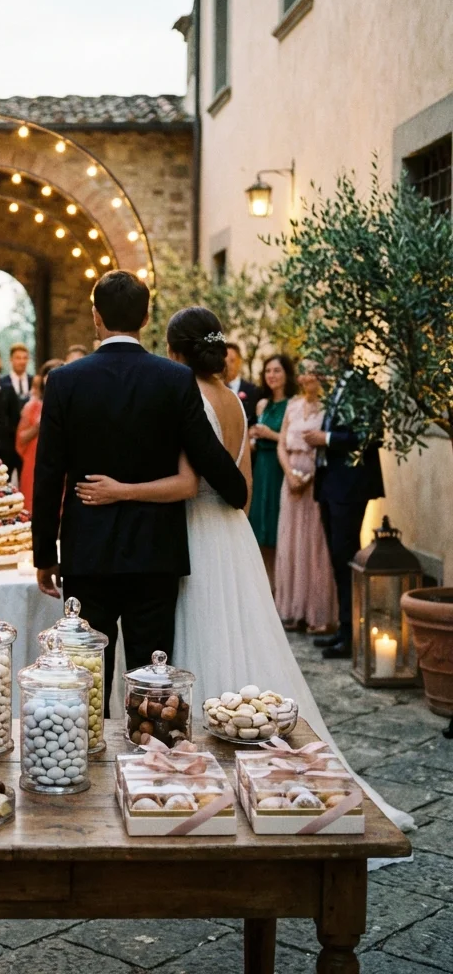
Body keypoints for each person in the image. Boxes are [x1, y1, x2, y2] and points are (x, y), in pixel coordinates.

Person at [77, 306, 412, 834]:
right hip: (232, 536)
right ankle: (253, 767)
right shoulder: (234, 400)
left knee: (191, 637)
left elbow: (186, 483)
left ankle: (187, 778)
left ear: (176, 351)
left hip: (190, 532)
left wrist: (121, 491)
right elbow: (244, 490)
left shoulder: (185, 394)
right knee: (239, 635)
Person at [32, 271, 247, 683]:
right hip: (155, 553)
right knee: (150, 677)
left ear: (96, 316)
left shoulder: (64, 381)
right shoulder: (175, 378)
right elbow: (206, 450)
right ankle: (145, 727)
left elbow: (48, 474)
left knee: (88, 678)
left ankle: (95, 729)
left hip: (88, 552)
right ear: (146, 318)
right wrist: (236, 491)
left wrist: (44, 554)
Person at [308, 368, 385, 659]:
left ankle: (352, 635)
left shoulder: (365, 387)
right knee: (338, 560)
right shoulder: (336, 387)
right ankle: (344, 630)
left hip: (350, 487)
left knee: (346, 557)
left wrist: (326, 438)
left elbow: (369, 436)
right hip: (330, 485)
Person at [275, 361, 338, 633]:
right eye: (304, 371)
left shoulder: (328, 408)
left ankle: (318, 613)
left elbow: (326, 447)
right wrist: (290, 474)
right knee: (291, 541)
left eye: (312, 371)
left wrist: (308, 477)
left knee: (314, 545)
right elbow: (281, 444)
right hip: (290, 481)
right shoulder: (292, 405)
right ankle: (293, 610)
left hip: (315, 481)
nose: (306, 377)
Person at [248, 353, 297, 581]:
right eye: (268, 371)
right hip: (262, 468)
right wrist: (253, 438)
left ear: (287, 374)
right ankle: (266, 583)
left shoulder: (293, 405)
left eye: (277, 370)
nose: (271, 375)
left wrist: (270, 434)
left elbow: (295, 442)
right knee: (261, 527)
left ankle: (282, 582)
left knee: (278, 525)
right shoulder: (262, 405)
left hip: (280, 469)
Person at [15, 359, 62, 513]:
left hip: (63, 467)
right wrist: (38, 425)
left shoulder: (72, 404)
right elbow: (20, 440)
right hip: (34, 465)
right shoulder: (32, 406)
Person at [224, 342, 261, 424]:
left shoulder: (253, 391)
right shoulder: (213, 390)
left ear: (239, 362)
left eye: (232, 361)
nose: (227, 365)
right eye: (224, 361)